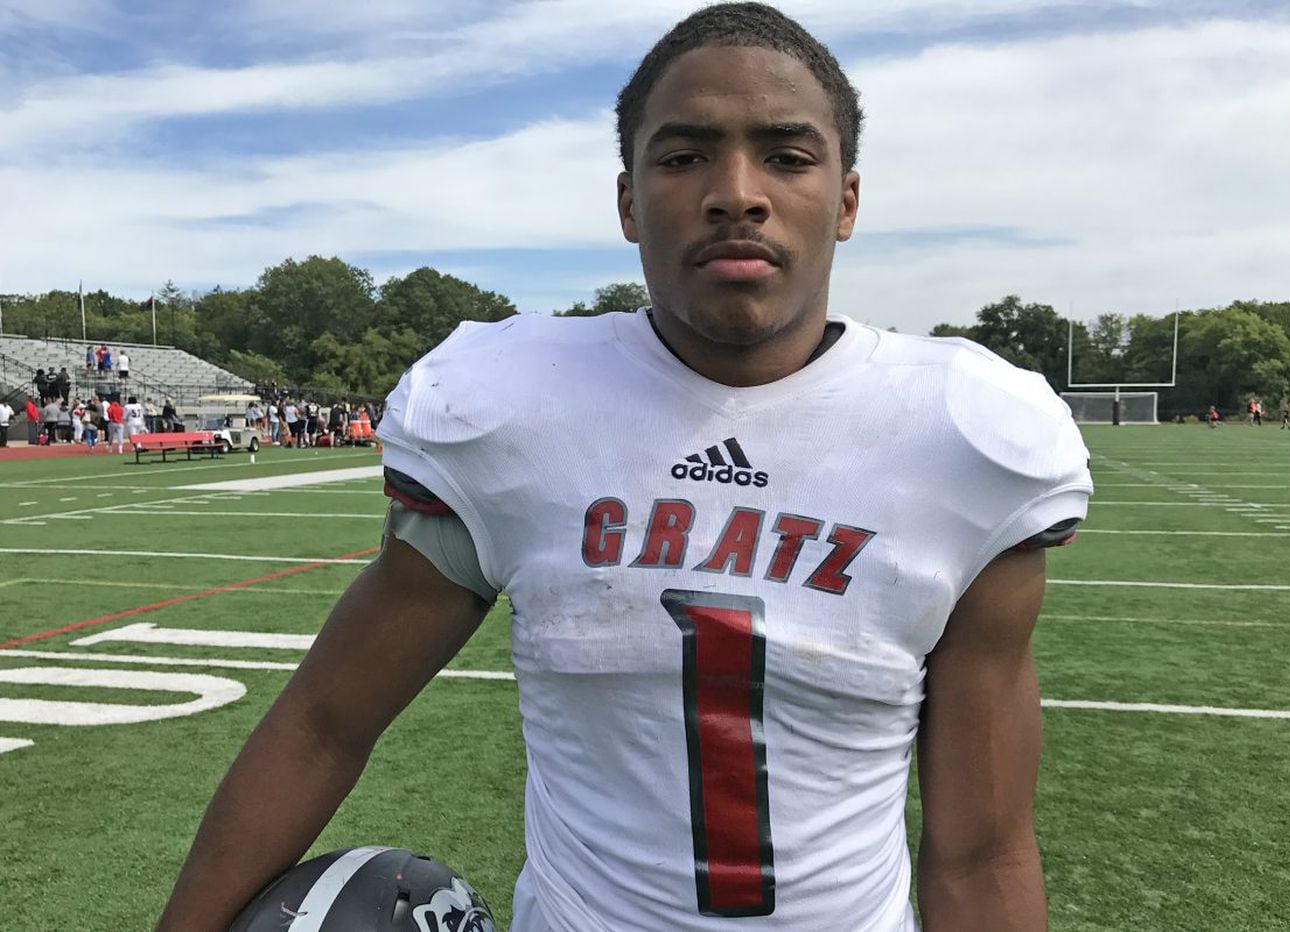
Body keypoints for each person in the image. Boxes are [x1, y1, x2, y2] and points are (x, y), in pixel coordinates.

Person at [157, 6, 1092, 931]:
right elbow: (324, 725)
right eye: (683, 156)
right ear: (628, 202)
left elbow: (982, 851)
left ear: (846, 201)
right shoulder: (511, 408)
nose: (736, 193)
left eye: (787, 156)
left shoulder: (963, 436)